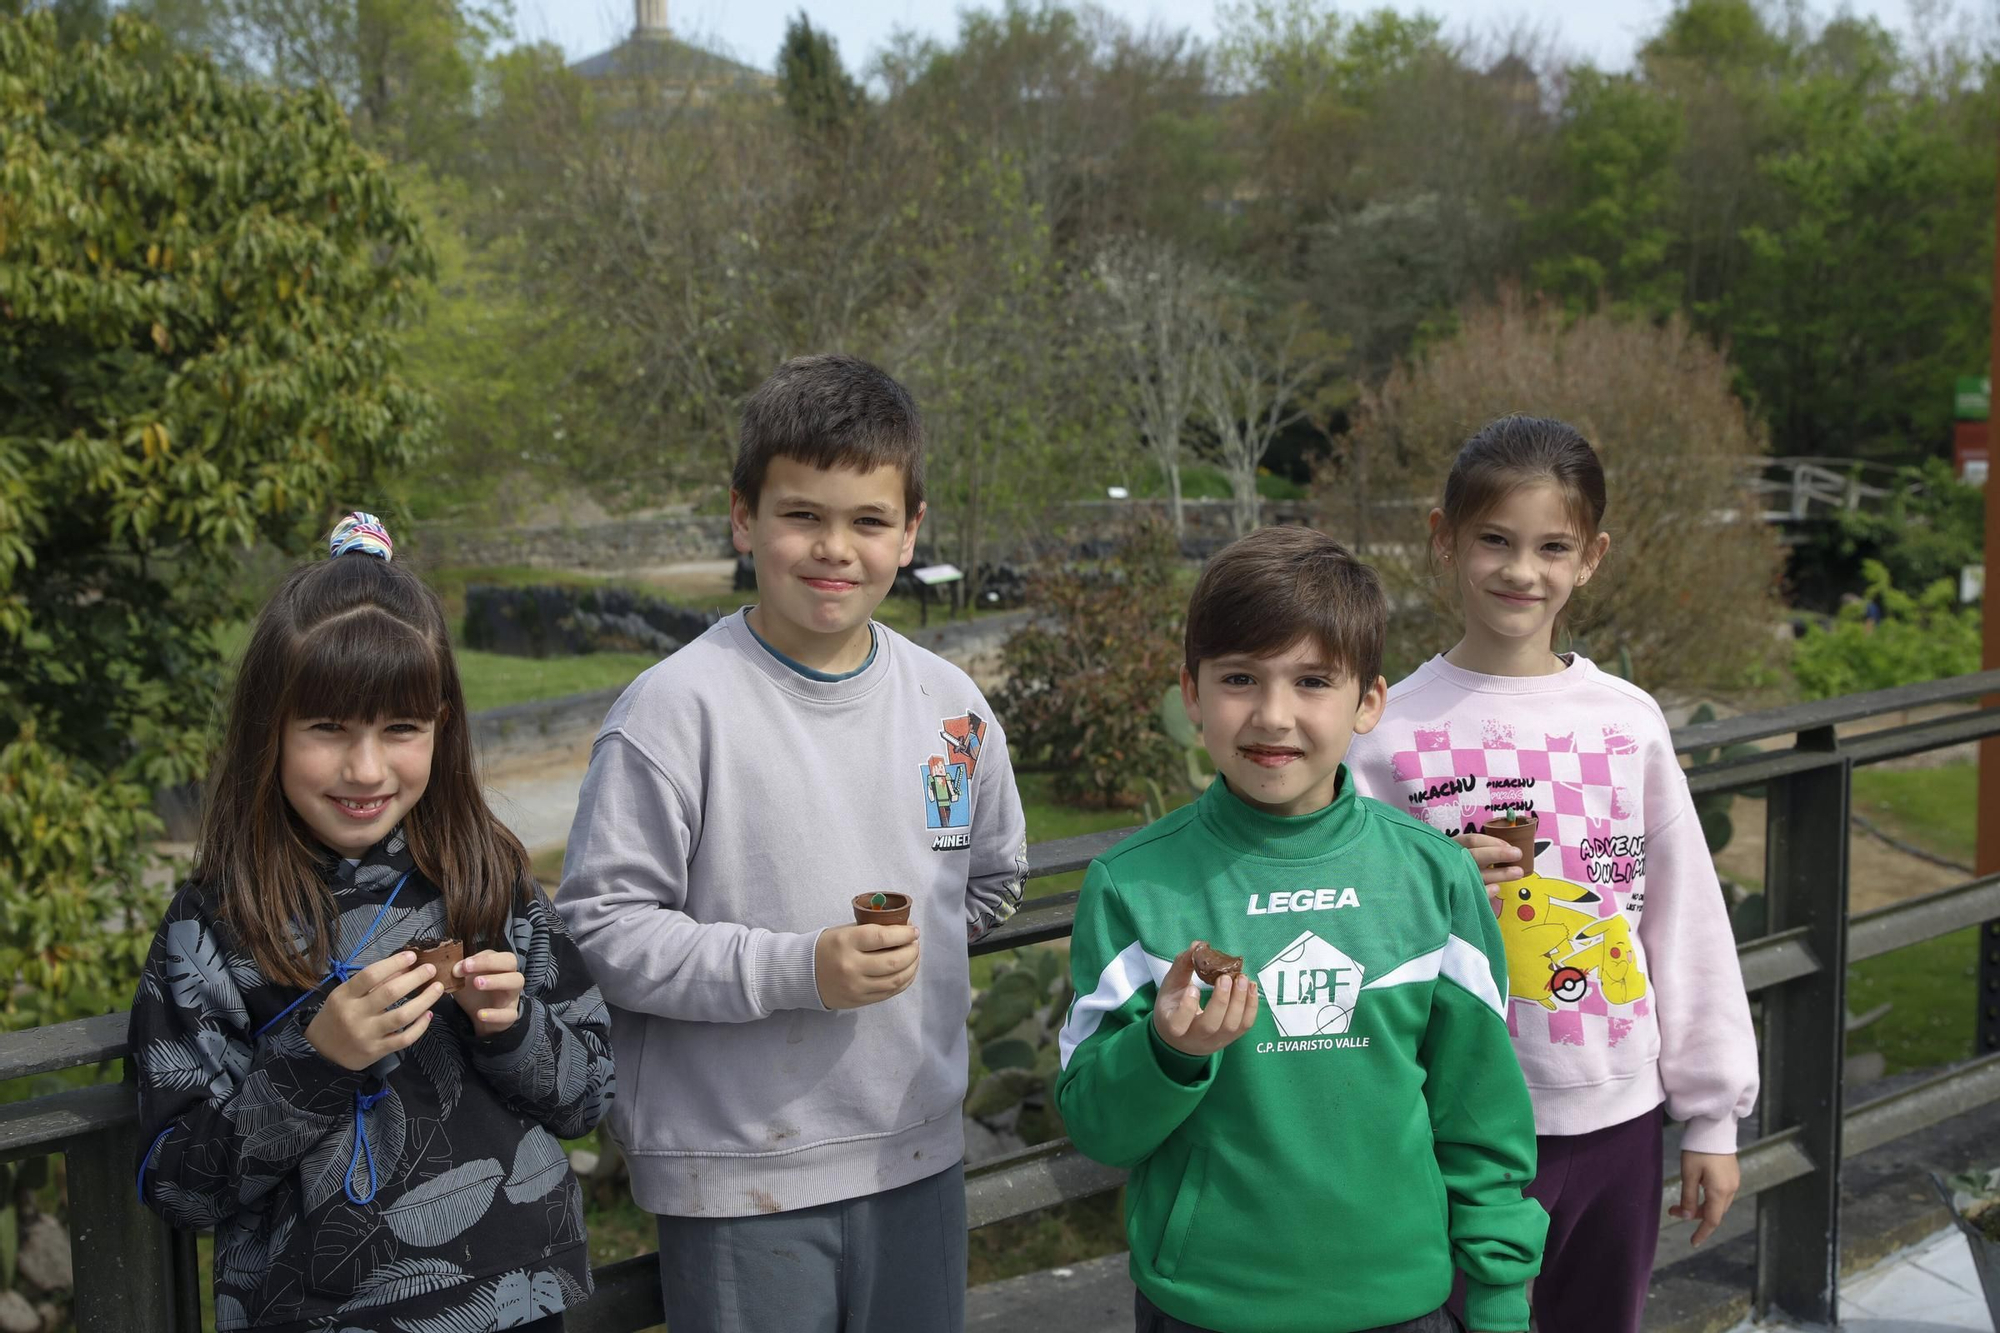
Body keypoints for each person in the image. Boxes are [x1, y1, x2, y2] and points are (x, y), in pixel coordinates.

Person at [555, 354, 1030, 1333]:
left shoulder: (949, 707)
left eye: (866, 521)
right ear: (742, 519)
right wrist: (795, 968)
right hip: (739, 1178)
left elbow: (991, 875)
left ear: (910, 531)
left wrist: (922, 959)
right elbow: (599, 931)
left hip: (918, 1156)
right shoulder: (674, 711)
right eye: (800, 515)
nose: (833, 548)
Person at [130, 513, 615, 1333]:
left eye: (401, 729)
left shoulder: (487, 882)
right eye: (327, 728)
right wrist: (317, 1061)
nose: (365, 768)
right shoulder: (213, 925)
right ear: (267, 732)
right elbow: (178, 1183)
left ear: (442, 729)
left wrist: (512, 1027)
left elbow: (592, 1094)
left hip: (518, 1302)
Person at [1056, 525, 1546, 1333]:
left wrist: (1498, 1299)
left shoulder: (1434, 877)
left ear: (1368, 702)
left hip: (1402, 1302)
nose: (1273, 715)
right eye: (1240, 678)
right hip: (1206, 1306)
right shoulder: (1133, 885)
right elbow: (1097, 1124)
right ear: (1192, 694)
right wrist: (1168, 1054)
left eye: (1313, 680)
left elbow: (1482, 1117)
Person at [1348, 415, 1760, 1332]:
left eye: (1551, 546)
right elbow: (1353, 915)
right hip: (1451, 1120)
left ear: (1592, 557)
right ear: (1442, 537)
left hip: (1620, 1114)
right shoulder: (1386, 730)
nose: (1520, 570)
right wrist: (1430, 883)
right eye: (1494, 539)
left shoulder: (1630, 720)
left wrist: (1713, 1115)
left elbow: (1685, 919)